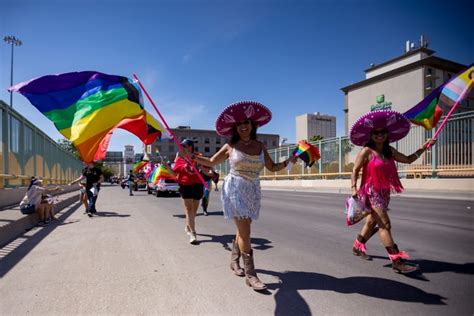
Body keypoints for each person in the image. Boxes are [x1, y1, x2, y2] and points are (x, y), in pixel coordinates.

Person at [192, 101, 298, 291]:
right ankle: (251, 275)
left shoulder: (260, 146)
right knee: (246, 232)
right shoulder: (230, 146)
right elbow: (210, 162)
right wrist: (190, 156)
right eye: (239, 124)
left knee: (243, 229)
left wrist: (288, 161)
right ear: (235, 128)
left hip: (252, 190)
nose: (243, 126)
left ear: (252, 125)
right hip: (234, 188)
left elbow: (272, 167)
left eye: (246, 123)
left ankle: (234, 262)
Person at [349, 110, 436, 274]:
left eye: (382, 132)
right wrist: (353, 187)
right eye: (376, 132)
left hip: (384, 192)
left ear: (387, 134)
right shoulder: (366, 151)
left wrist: (424, 147)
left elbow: (409, 159)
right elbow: (355, 170)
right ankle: (396, 260)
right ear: (371, 135)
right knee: (385, 224)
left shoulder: (390, 152)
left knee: (371, 222)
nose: (379, 135)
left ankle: (357, 246)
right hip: (371, 192)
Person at [173, 139, 204, 245]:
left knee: (194, 210)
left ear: (190, 146)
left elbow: (205, 166)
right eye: (181, 146)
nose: (182, 148)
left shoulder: (198, 156)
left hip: (198, 185)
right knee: (189, 209)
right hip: (185, 185)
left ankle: (188, 225)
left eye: (184, 146)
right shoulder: (179, 158)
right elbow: (175, 171)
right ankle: (193, 233)